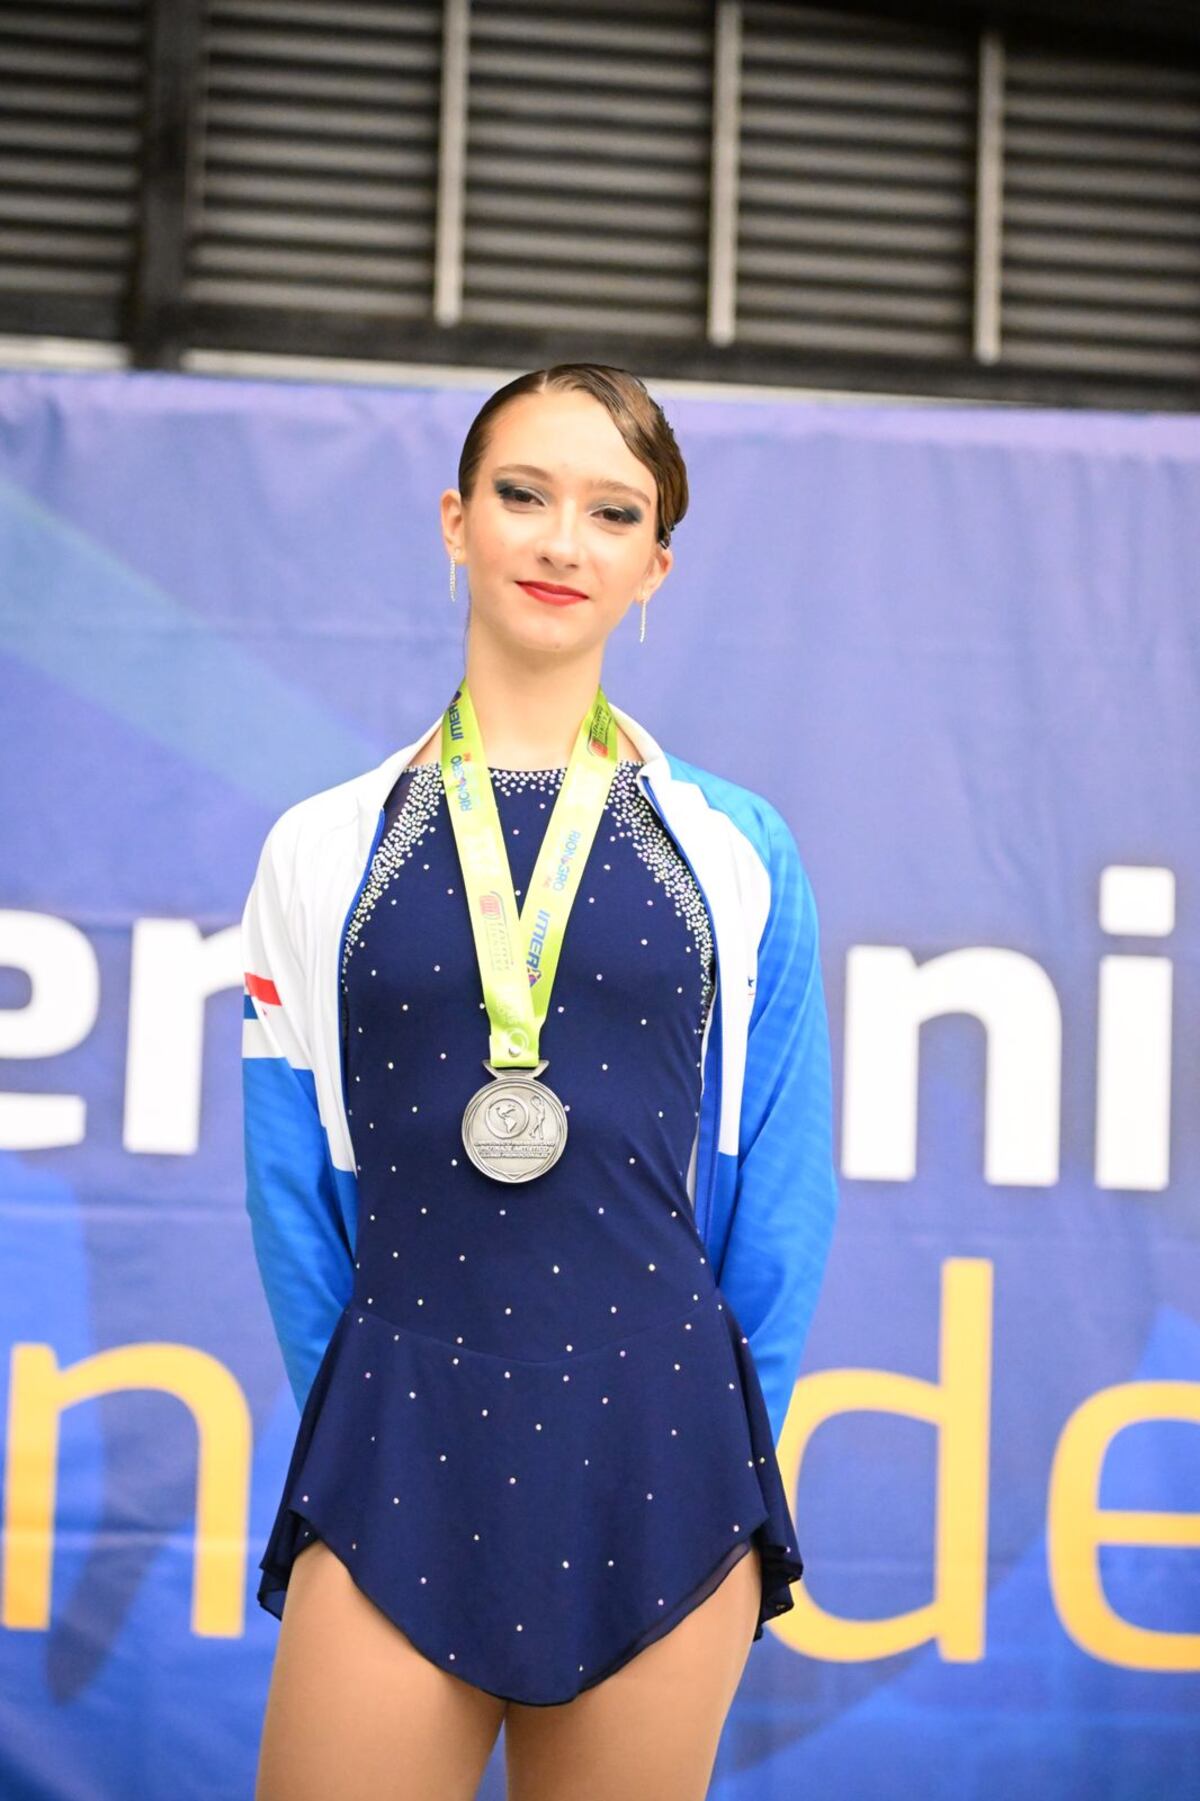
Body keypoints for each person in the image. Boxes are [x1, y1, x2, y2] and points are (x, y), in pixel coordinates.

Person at [242, 363, 839, 1800]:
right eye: (524, 495)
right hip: (402, 1427)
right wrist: (366, 1402)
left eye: (610, 511)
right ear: (457, 521)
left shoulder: (738, 850)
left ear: (655, 566)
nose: (562, 540)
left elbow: (783, 1196)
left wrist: (721, 1449)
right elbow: (289, 1188)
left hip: (664, 1439)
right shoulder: (322, 846)